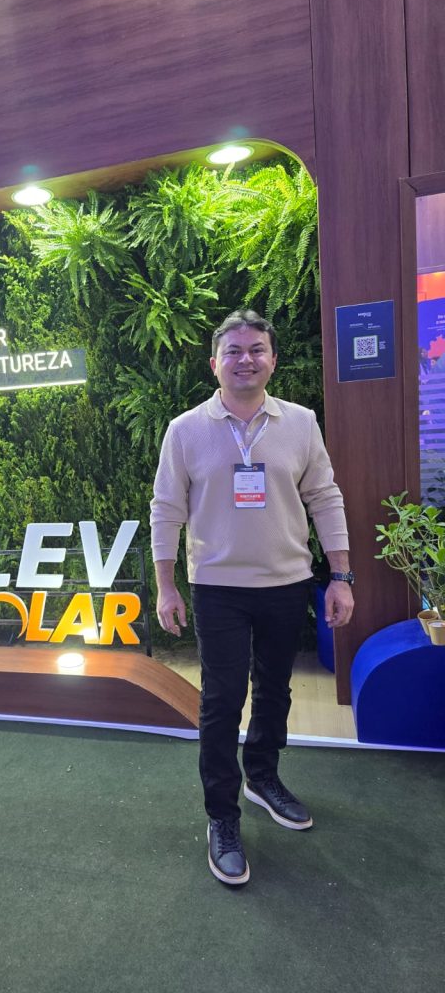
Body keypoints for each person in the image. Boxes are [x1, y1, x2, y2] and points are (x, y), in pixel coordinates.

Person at [150, 309, 354, 885]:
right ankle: (222, 815)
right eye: (234, 351)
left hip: (286, 584)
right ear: (214, 363)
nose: (246, 359)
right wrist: (166, 584)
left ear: (273, 360)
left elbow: (326, 497)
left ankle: (262, 778)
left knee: (274, 690)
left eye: (257, 349)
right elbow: (166, 508)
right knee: (220, 701)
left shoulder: (301, 424)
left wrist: (341, 576)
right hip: (217, 587)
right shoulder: (185, 430)